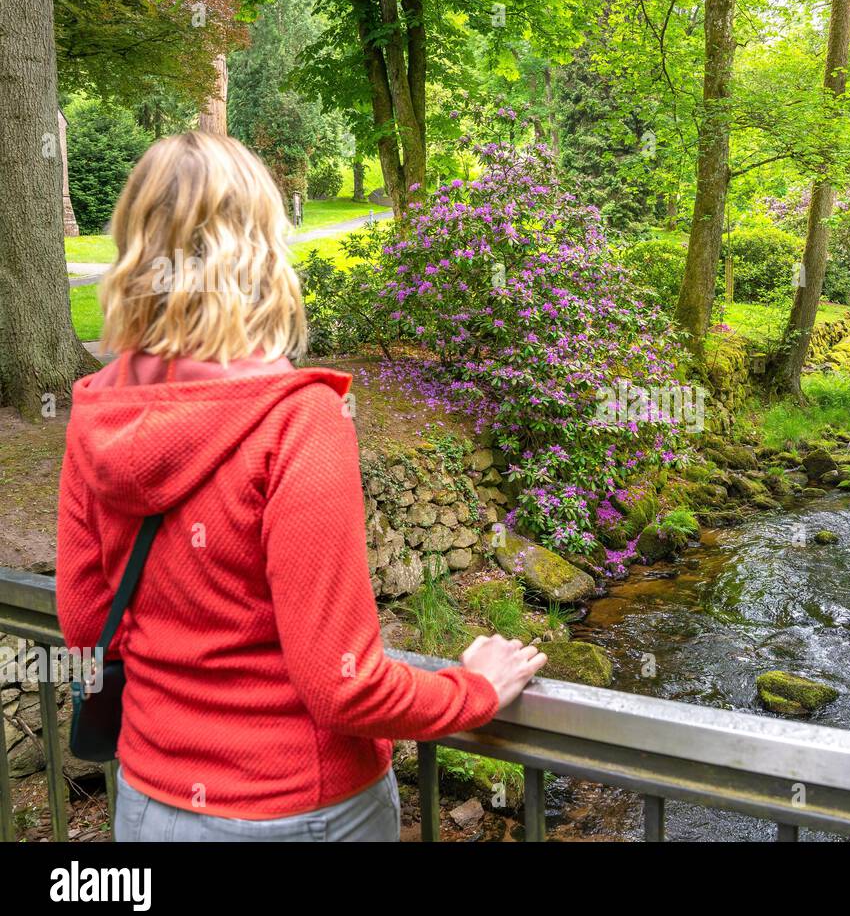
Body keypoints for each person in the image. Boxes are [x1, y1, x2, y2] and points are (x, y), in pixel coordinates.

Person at [56, 132, 546, 841]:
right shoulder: (297, 417)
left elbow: (83, 625)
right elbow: (341, 683)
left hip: (148, 800)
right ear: (261, 248)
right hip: (296, 809)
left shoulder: (97, 411)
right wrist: (469, 691)